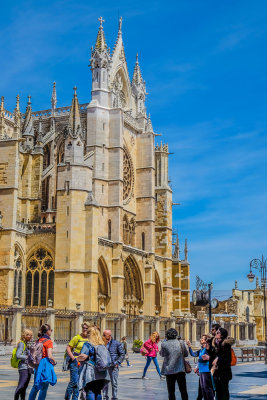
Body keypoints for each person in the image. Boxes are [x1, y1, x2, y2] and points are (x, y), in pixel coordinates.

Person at [77, 326, 110, 400]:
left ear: (89, 334)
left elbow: (84, 357)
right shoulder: (102, 344)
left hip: (91, 371)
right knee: (98, 391)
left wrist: (76, 358)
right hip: (102, 372)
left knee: (90, 391)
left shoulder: (88, 344)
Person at [28, 324, 57, 400]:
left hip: (37, 364)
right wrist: (54, 361)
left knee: (36, 385)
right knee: (44, 386)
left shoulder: (39, 340)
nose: (51, 332)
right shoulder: (48, 341)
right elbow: (50, 355)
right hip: (45, 364)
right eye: (51, 330)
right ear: (47, 331)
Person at [160, 328, 188, 400]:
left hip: (169, 371)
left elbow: (162, 354)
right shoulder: (181, 342)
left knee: (171, 392)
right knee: (183, 390)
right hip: (180, 370)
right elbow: (186, 354)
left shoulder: (164, 344)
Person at [65, 321, 90, 400]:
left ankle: (75, 398)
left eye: (86, 328)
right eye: (83, 328)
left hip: (85, 363)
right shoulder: (77, 337)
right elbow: (68, 348)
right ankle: (67, 397)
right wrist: (73, 358)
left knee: (80, 382)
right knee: (74, 381)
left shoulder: (90, 339)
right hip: (76, 362)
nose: (84, 330)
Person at [187, 335, 214, 400]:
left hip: (206, 370)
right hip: (202, 371)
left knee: (207, 388)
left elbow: (206, 358)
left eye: (203, 338)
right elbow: (193, 354)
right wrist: (189, 346)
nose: (201, 339)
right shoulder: (201, 349)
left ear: (206, 341)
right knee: (203, 389)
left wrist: (199, 361)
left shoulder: (208, 349)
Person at [212, 327, 234, 400]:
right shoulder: (216, 344)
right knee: (217, 391)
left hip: (224, 372)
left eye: (218, 333)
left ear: (221, 335)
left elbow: (228, 360)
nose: (216, 333)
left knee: (224, 391)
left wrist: (218, 359)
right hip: (217, 372)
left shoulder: (226, 345)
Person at [102, 329, 125, 400]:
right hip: (105, 366)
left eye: (104, 335)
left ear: (109, 335)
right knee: (105, 383)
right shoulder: (102, 343)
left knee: (114, 383)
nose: (103, 336)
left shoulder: (116, 343)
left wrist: (117, 362)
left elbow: (122, 354)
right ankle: (105, 397)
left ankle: (114, 397)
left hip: (113, 366)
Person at [14, 329, 33, 400]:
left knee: (24, 387)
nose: (31, 337)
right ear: (25, 336)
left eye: (31, 335)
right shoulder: (22, 343)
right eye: (29, 335)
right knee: (21, 386)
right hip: (23, 368)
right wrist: (27, 357)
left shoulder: (26, 343)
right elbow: (18, 355)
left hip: (28, 367)